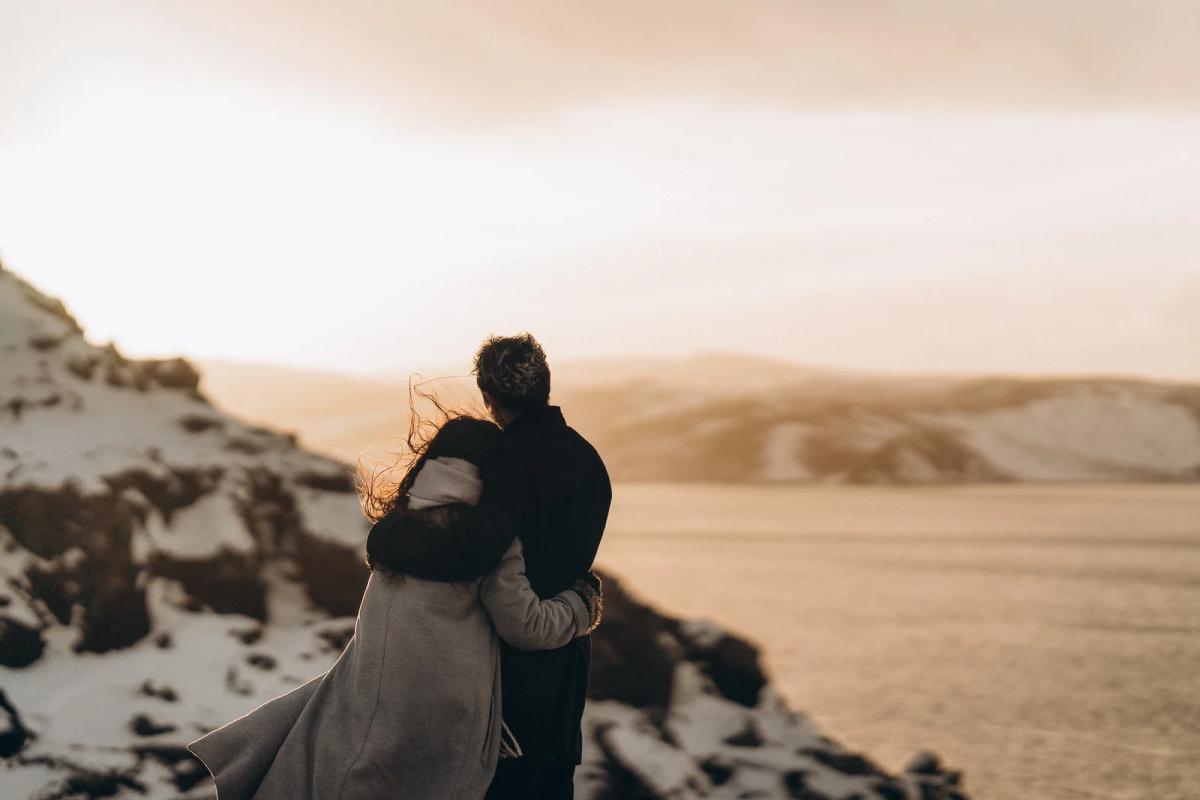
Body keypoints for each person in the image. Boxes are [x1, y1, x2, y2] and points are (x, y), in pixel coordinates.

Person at [187, 415, 603, 800]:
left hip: (367, 705)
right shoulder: (491, 543)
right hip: (440, 726)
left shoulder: (399, 524)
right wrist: (580, 603)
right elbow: (527, 626)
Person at [367, 332, 612, 799]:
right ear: (545, 384)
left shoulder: (499, 466)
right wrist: (582, 602)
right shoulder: (589, 463)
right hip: (563, 684)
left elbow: (472, 552)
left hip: (498, 693)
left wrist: (388, 539)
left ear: (488, 396)